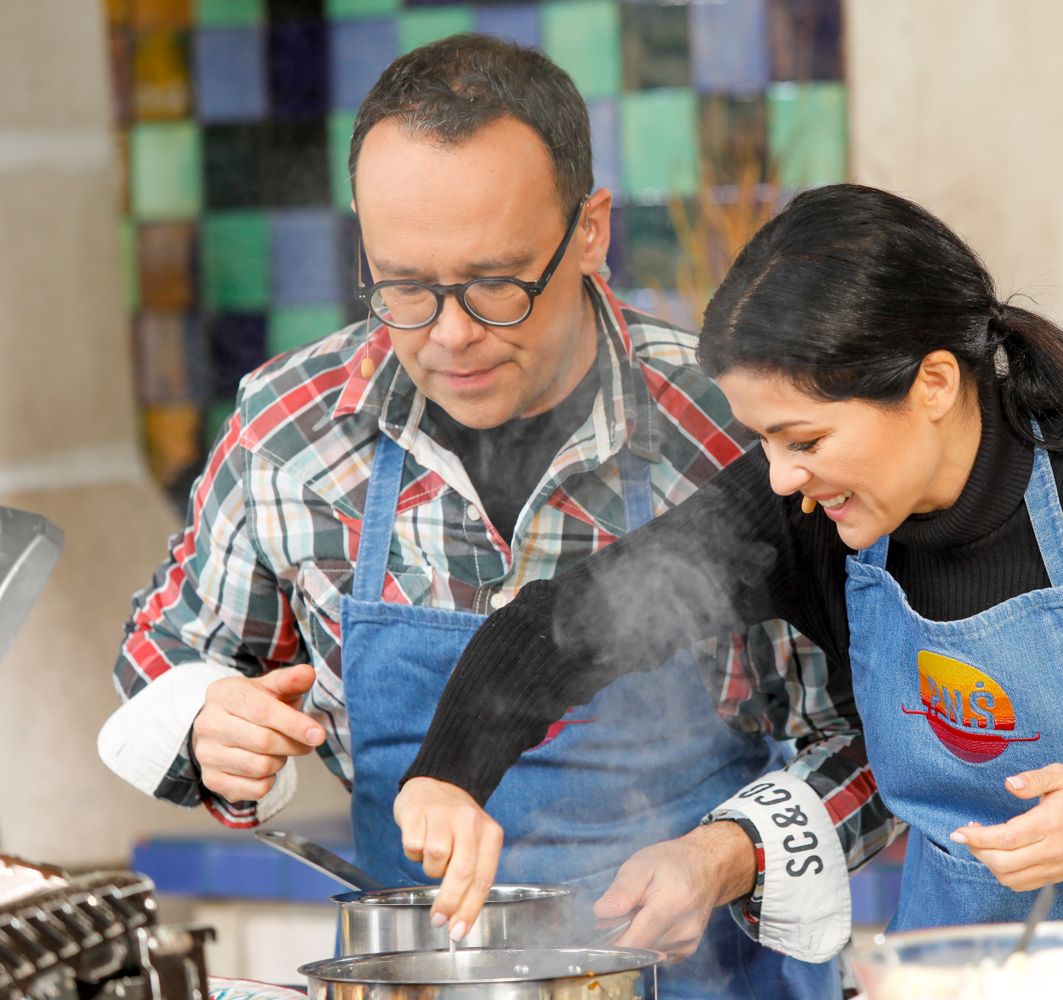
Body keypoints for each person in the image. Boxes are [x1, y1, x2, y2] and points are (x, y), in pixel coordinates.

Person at [393, 184, 1063, 1000]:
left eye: (807, 439)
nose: (782, 476)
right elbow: (577, 621)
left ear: (932, 385)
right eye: (765, 442)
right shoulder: (810, 515)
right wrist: (452, 767)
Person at [97, 35, 896, 999]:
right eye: (405, 287)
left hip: (714, 976)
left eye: (496, 284)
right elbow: (165, 652)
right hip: (424, 979)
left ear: (590, 230)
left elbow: (878, 736)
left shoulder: (732, 427)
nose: (450, 333)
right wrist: (207, 724)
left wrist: (727, 856)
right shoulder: (288, 433)